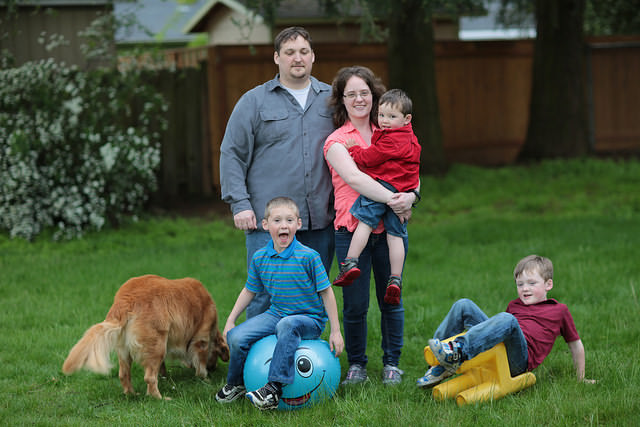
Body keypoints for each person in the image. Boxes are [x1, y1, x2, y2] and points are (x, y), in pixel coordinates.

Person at [219, 26, 335, 319]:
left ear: (313, 56)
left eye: (304, 52)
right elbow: (232, 153)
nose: (298, 58)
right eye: (290, 52)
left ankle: (304, 362)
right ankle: (254, 363)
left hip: (322, 218)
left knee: (313, 295)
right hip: (267, 222)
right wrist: (240, 204)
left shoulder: (333, 100)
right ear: (276, 58)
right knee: (261, 295)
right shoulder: (254, 101)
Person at [323, 66, 418, 386]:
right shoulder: (337, 141)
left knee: (391, 299)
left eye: (364, 92)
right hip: (351, 231)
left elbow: (413, 169)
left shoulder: (392, 130)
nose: (359, 99)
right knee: (355, 305)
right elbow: (355, 178)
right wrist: (396, 199)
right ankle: (358, 365)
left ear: (374, 96)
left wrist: (414, 194)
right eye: (351, 94)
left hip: (387, 232)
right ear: (342, 100)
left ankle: (392, 363)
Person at [215, 197, 344, 410]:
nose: (284, 225)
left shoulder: (308, 257)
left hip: (309, 319)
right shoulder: (260, 258)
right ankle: (236, 384)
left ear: (298, 225)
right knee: (236, 336)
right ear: (265, 225)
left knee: (287, 325)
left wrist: (335, 331)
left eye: (289, 220)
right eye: (277, 220)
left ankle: (273, 388)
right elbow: (250, 290)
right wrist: (231, 320)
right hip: (277, 313)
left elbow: (327, 292)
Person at [417, 255, 596, 388]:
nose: (525, 289)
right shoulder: (515, 305)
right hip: (501, 349)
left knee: (508, 320)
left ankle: (458, 351)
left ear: (548, 285)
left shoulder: (559, 311)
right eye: (520, 284)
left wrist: (581, 378)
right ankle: (437, 363)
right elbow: (496, 332)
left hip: (519, 361)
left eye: (532, 283)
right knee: (463, 305)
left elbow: (576, 345)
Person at [333, 88, 421, 308]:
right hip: (403, 189)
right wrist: (410, 196)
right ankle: (395, 278)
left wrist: (354, 151)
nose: (385, 122)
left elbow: (370, 158)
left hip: (384, 185)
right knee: (395, 234)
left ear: (406, 118)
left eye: (392, 117)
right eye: (382, 115)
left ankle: (350, 262)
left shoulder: (390, 139)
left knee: (365, 221)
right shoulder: (412, 138)